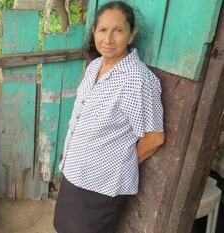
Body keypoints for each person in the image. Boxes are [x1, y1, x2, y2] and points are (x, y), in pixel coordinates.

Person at [53, 1, 165, 233]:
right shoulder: (95, 67)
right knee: (63, 227)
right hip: (74, 172)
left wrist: (115, 166)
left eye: (118, 30)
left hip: (102, 185)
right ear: (94, 31)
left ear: (132, 34)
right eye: (103, 30)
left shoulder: (138, 79)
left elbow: (154, 138)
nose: (108, 39)